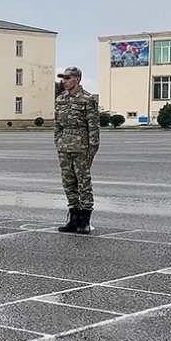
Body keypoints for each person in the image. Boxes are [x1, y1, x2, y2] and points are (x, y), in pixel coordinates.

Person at [54, 66, 100, 234]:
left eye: (67, 78)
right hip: (65, 147)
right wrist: (58, 142)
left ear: (77, 80)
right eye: (63, 78)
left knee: (83, 183)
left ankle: (84, 220)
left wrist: (92, 151)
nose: (64, 81)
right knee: (68, 183)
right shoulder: (60, 99)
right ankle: (73, 218)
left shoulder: (87, 100)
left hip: (82, 148)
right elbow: (58, 125)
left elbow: (93, 128)